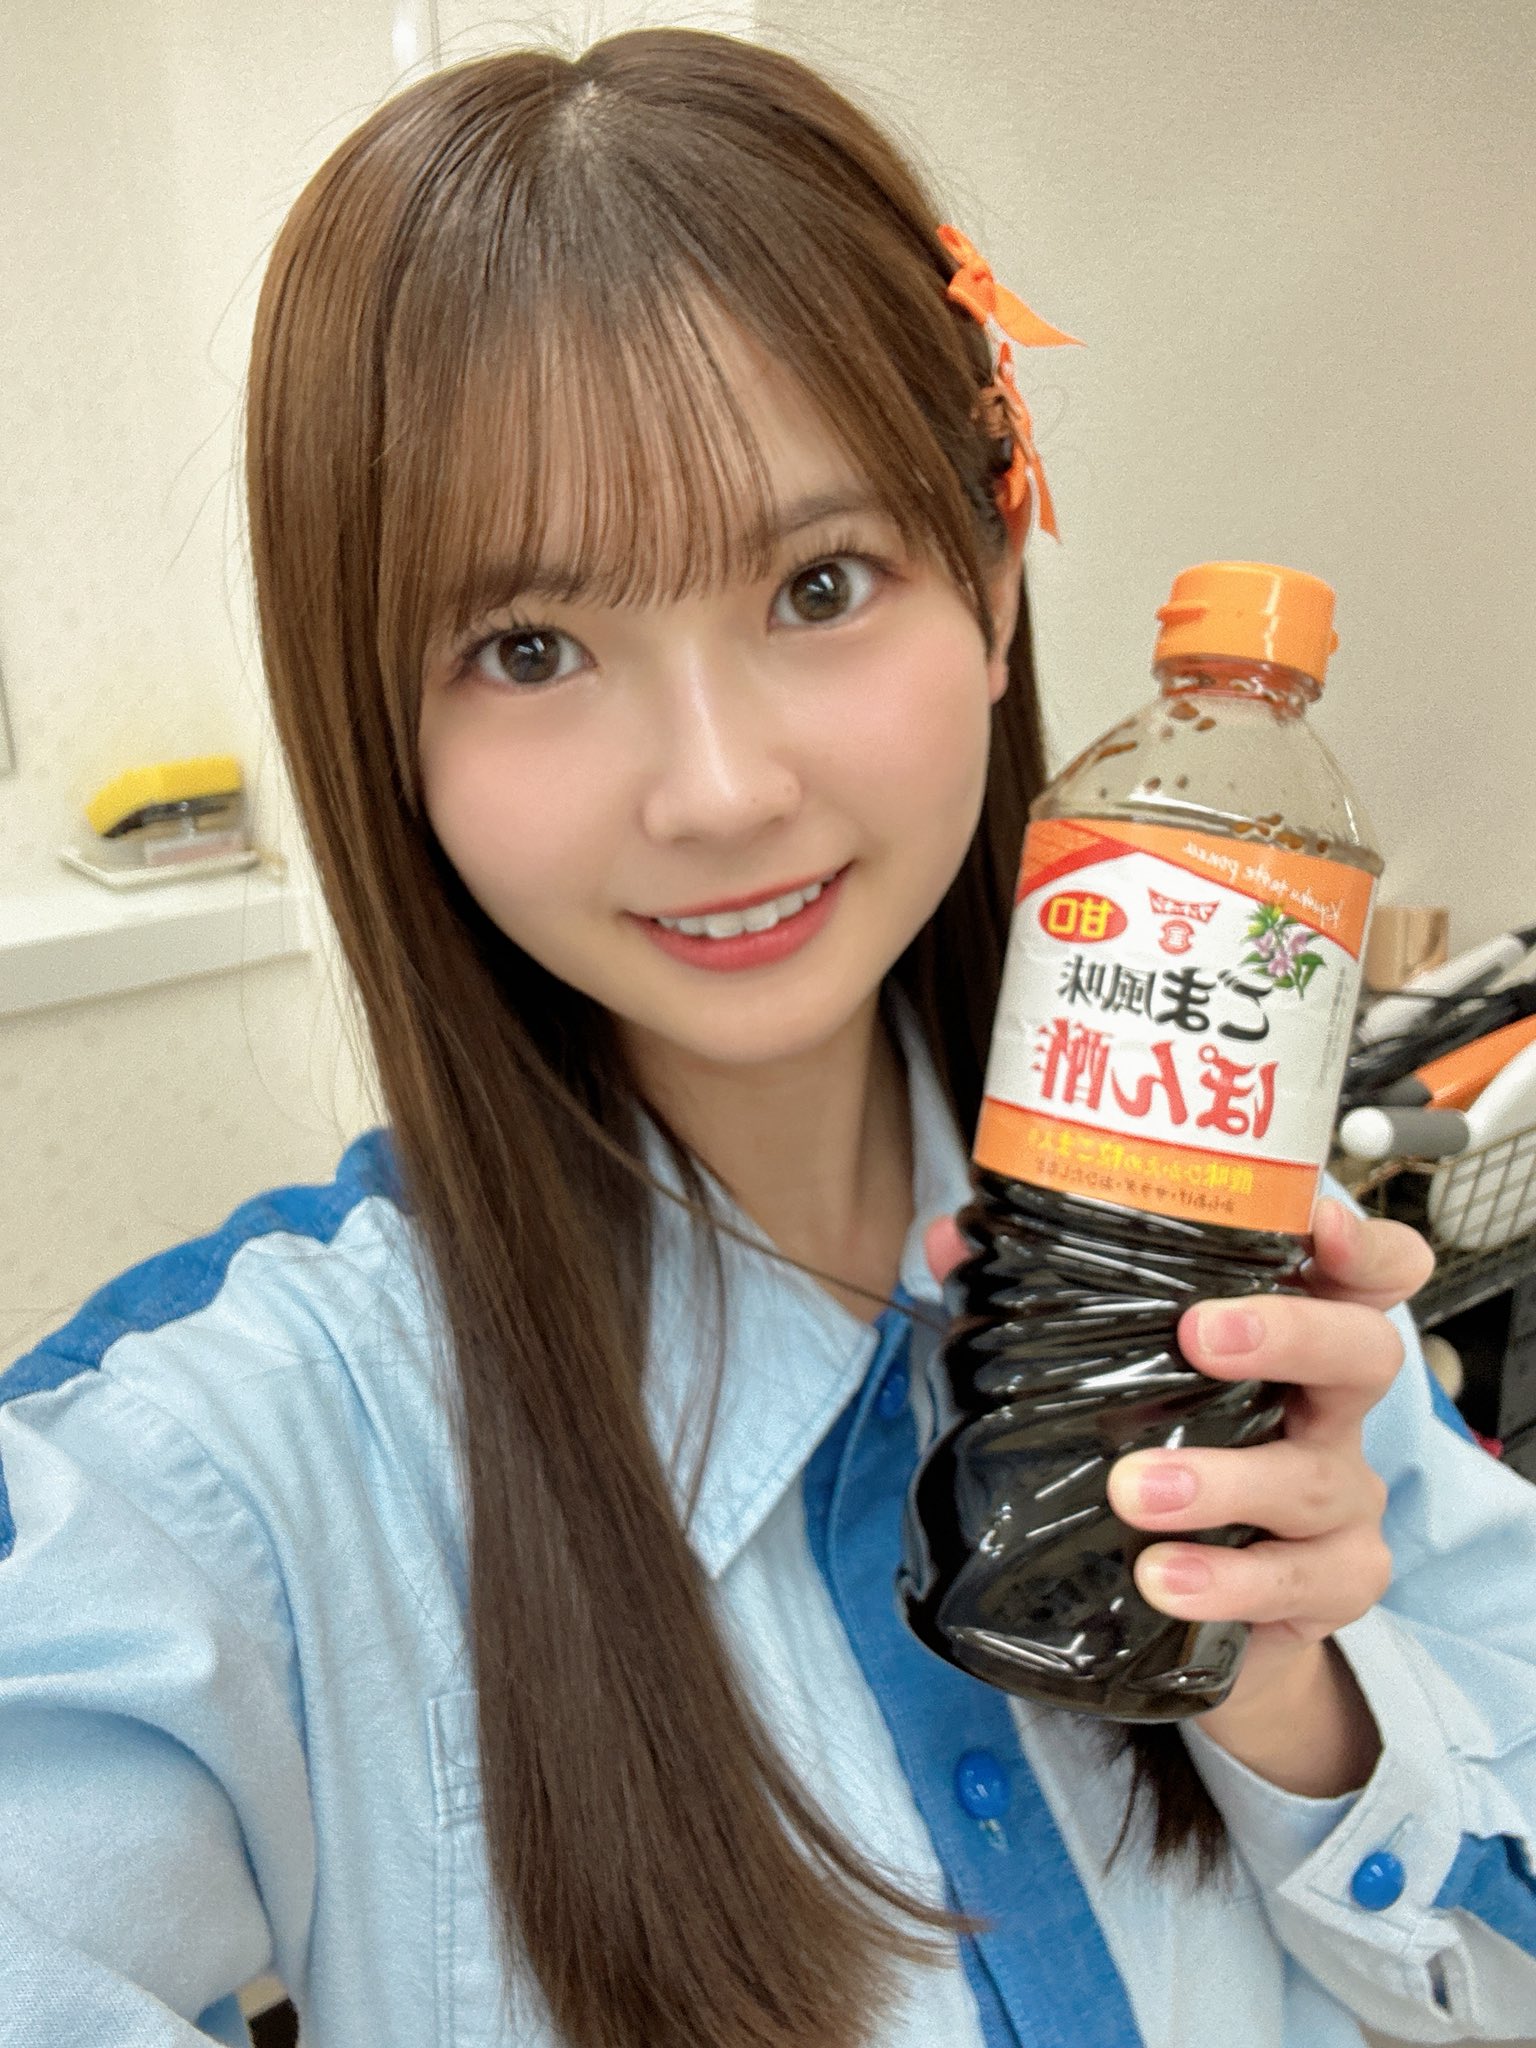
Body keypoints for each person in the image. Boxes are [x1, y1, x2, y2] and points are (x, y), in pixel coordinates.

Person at [2, 28, 1534, 2048]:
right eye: (531, 647)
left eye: (820, 583)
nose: (720, 788)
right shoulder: (230, 1460)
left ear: (994, 581)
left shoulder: (1253, 1302)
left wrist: (1298, 1701)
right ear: (382, 727)